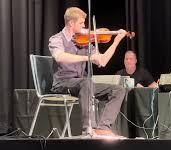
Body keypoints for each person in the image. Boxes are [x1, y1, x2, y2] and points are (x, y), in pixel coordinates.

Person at [48, 7, 127, 136]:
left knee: (118, 89)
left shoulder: (84, 41)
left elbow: (102, 61)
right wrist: (87, 57)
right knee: (87, 82)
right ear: (71, 23)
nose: (84, 26)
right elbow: (60, 57)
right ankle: (89, 128)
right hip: (63, 83)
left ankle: (103, 127)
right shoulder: (56, 39)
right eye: (81, 23)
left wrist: (116, 42)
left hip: (84, 84)